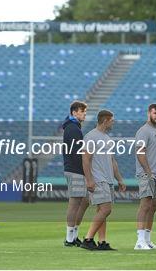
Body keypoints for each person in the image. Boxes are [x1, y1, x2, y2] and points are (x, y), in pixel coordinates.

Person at [80, 109, 126, 251]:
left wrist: (120, 179)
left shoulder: (107, 138)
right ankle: (88, 239)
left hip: (108, 179)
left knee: (102, 210)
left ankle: (102, 242)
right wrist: (89, 180)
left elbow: (112, 161)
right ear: (105, 120)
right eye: (112, 120)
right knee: (106, 209)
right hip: (98, 179)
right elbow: (86, 159)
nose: (113, 123)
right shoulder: (91, 136)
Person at [134, 103, 156, 250]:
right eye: (155, 113)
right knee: (145, 205)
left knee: (153, 206)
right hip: (147, 174)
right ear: (149, 113)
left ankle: (147, 239)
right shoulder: (143, 131)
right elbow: (140, 152)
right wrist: (148, 171)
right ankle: (139, 241)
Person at [62, 100, 89, 247]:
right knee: (74, 203)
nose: (85, 114)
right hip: (75, 170)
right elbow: (76, 153)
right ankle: (69, 238)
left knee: (83, 201)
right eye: (82, 111)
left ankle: (74, 235)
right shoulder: (72, 128)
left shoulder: (73, 127)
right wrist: (85, 168)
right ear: (74, 112)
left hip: (75, 169)